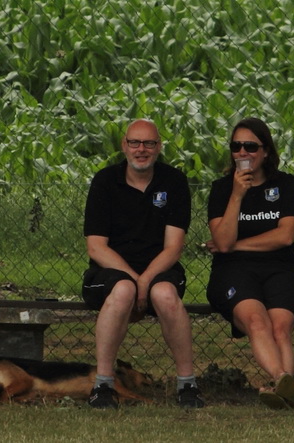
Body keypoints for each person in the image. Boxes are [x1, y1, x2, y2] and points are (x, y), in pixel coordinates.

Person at [82, 119, 204, 409]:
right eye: (135, 143)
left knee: (165, 294)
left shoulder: (173, 181)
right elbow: (96, 247)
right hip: (111, 270)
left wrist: (146, 280)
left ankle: (187, 385)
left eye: (149, 143)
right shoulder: (105, 181)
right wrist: (135, 281)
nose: (141, 149)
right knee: (123, 290)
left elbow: (174, 247)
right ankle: (103, 385)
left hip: (159, 268)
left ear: (158, 147)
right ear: (124, 146)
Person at [206, 117, 294, 409]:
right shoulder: (222, 189)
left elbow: (285, 236)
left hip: (279, 267)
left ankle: (281, 390)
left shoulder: (284, 185)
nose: (242, 152)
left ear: (265, 152)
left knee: (280, 328)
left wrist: (236, 245)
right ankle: (283, 379)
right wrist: (237, 195)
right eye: (236, 146)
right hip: (233, 270)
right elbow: (222, 241)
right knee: (256, 321)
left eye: (250, 147)